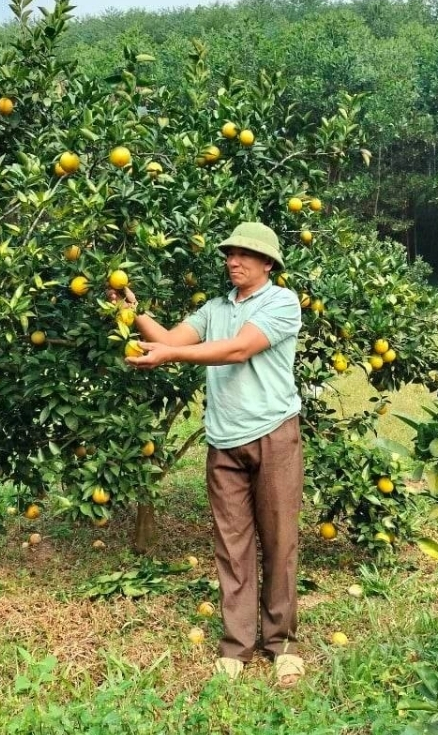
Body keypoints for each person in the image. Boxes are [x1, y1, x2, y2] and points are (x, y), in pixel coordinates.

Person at [115, 221, 305, 687]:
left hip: (274, 434)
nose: (233, 261)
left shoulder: (282, 303)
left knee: (279, 541)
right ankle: (237, 646)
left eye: (244, 254)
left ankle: (281, 644)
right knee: (232, 544)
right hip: (224, 440)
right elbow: (173, 338)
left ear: (267, 263)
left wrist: (168, 357)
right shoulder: (214, 308)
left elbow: (240, 350)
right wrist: (132, 314)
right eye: (230, 254)